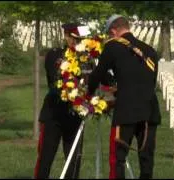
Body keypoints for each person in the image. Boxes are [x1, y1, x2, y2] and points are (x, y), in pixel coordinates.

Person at [87, 14, 162, 179]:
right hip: (149, 110)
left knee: (118, 159)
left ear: (113, 31)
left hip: (127, 110)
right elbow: (150, 82)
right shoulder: (149, 50)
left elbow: (98, 74)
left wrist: (88, 94)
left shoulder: (112, 46)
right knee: (146, 159)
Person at [33, 23, 86, 179]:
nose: (75, 41)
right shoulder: (55, 54)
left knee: (73, 159)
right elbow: (55, 76)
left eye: (78, 39)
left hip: (75, 115)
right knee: (45, 157)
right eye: (72, 38)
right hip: (53, 113)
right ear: (66, 36)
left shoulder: (86, 58)